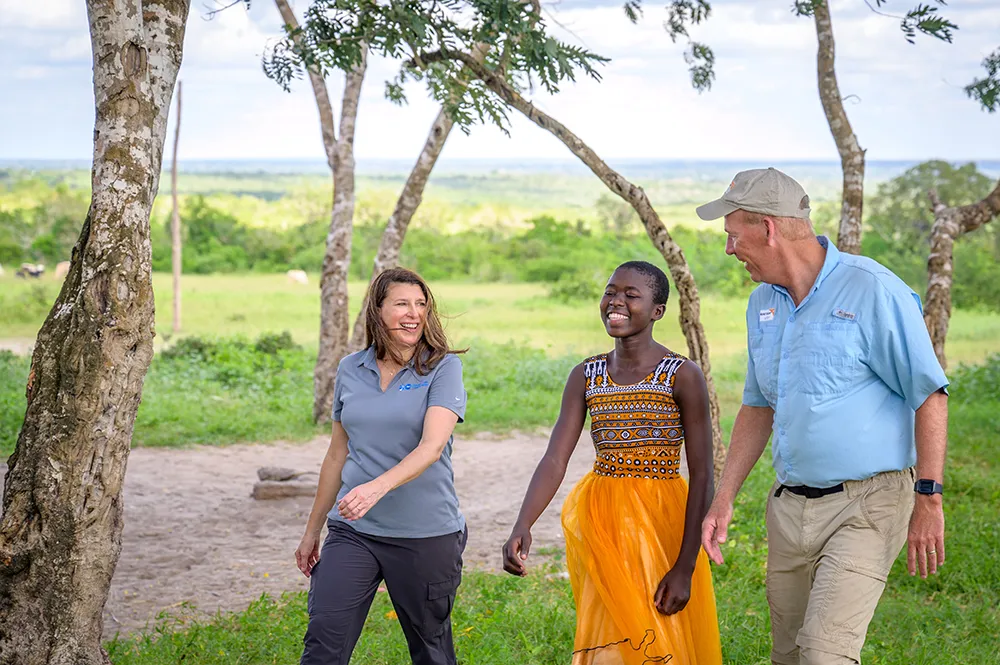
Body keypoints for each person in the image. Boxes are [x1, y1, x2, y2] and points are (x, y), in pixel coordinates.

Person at [696, 168, 949, 665]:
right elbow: (757, 403)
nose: (729, 249)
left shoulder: (872, 288)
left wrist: (930, 499)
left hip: (867, 505)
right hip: (789, 509)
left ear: (768, 228)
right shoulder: (761, 303)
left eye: (733, 235)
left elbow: (930, 395)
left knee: (823, 655)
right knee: (788, 655)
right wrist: (723, 499)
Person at [502, 261, 723, 665]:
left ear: (657, 311)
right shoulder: (587, 374)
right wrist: (523, 523)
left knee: (659, 636)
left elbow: (703, 472)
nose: (615, 302)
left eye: (631, 295)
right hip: (603, 519)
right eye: (610, 292)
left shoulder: (681, 375)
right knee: (611, 634)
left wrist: (686, 566)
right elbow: (555, 457)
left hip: (662, 521)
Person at [295, 267, 469, 665]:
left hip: (425, 533)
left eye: (421, 305)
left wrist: (376, 488)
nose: (414, 314)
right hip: (354, 530)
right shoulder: (350, 369)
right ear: (377, 310)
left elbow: (431, 447)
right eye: (402, 304)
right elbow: (337, 454)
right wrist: (311, 531)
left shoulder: (442, 368)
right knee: (323, 639)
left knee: (430, 649)